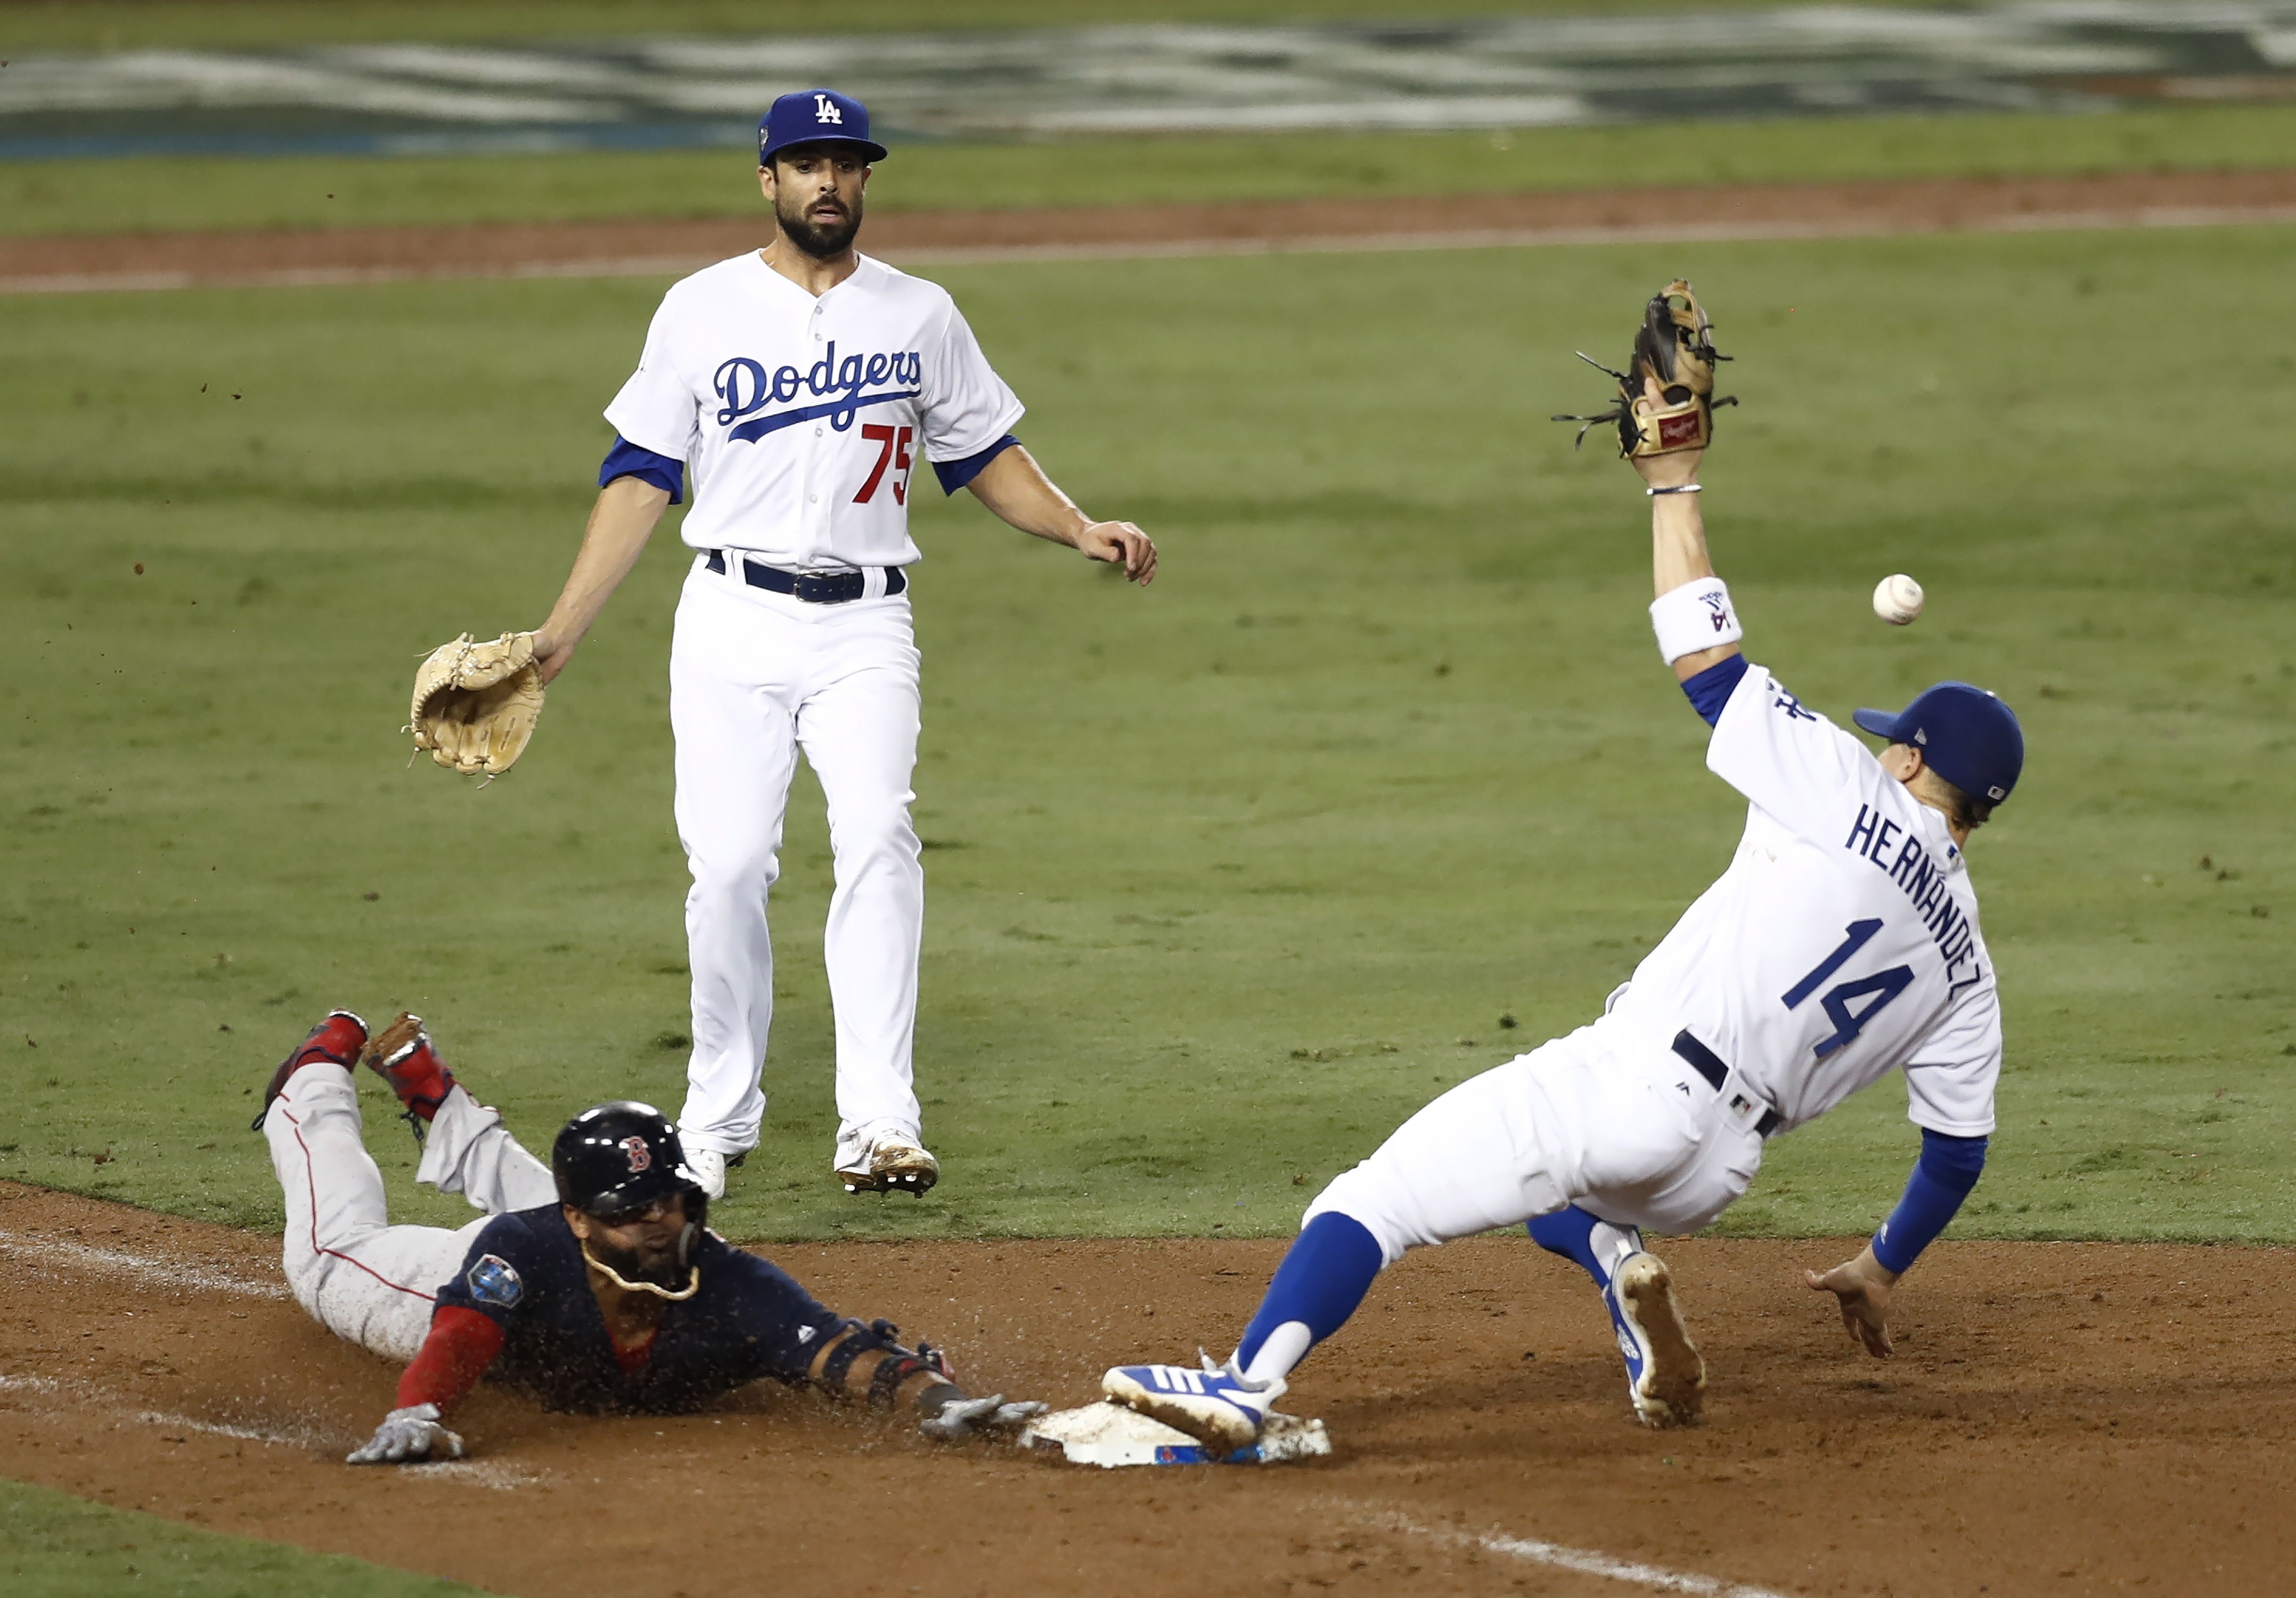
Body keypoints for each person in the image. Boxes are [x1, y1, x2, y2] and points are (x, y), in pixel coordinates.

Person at [1103, 393, 2023, 1447]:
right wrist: (1878, 1266)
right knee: (1567, 1198)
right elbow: (1956, 1153)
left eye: (1888, 744)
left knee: (1378, 1197)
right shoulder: (1968, 971)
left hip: (1638, 1080)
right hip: (1712, 1172)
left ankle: (1241, 1388)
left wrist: (1671, 486)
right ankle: (1619, 1264)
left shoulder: (1848, 790)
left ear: (1908, 760)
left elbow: (1704, 659)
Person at [523, 88, 1157, 1201]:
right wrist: (559, 633)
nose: (828, 182)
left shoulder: (919, 314)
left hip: (867, 619)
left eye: (846, 163)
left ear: (865, 180)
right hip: (728, 616)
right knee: (725, 868)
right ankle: (717, 1119)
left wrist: (1076, 524)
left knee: (876, 835)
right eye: (805, 164)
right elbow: (640, 478)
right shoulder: (699, 310)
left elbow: (981, 453)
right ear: (766, 181)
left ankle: (879, 1123)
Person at [251, 1010, 1040, 1464]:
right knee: (327, 1255)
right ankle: (312, 1083)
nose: (659, 1216)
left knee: (625, 1246)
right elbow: (461, 1334)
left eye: (669, 1198)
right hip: (463, 1277)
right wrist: (419, 1411)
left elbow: (836, 1351)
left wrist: (938, 1397)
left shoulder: (723, 1276)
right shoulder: (523, 1251)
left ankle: (436, 1099)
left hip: (576, 1248)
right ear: (580, 1216)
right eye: (634, 1207)